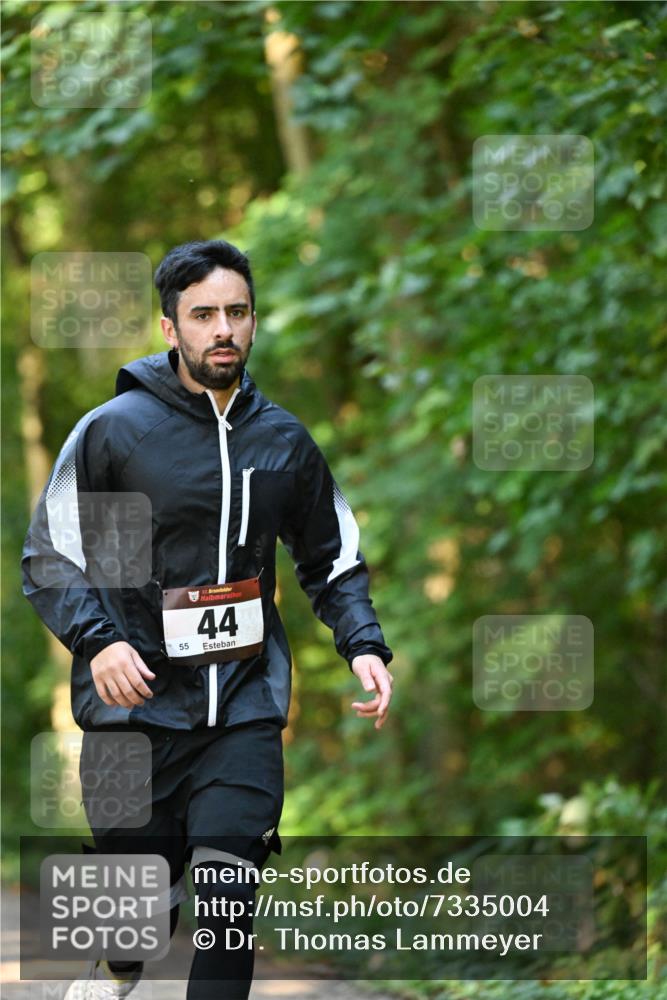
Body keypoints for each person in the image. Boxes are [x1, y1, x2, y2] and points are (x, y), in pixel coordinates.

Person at [22, 239, 394, 999]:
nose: (222, 328)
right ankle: (120, 963)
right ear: (170, 330)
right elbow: (49, 555)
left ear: (253, 322)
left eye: (237, 311)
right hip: (133, 711)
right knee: (139, 917)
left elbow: (333, 557)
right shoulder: (114, 432)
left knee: (227, 903)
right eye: (203, 315)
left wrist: (362, 643)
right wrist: (98, 646)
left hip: (243, 709)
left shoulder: (282, 441)